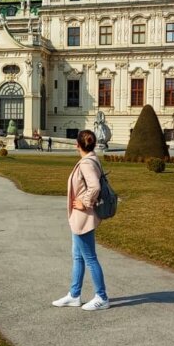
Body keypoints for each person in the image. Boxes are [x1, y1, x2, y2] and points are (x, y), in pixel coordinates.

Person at [53, 129, 109, 311]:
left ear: (77, 145)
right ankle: (74, 295)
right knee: (78, 257)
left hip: (83, 217)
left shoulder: (86, 163)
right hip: (81, 217)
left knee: (90, 258)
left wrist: (84, 202)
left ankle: (102, 297)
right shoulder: (92, 159)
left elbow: (95, 186)